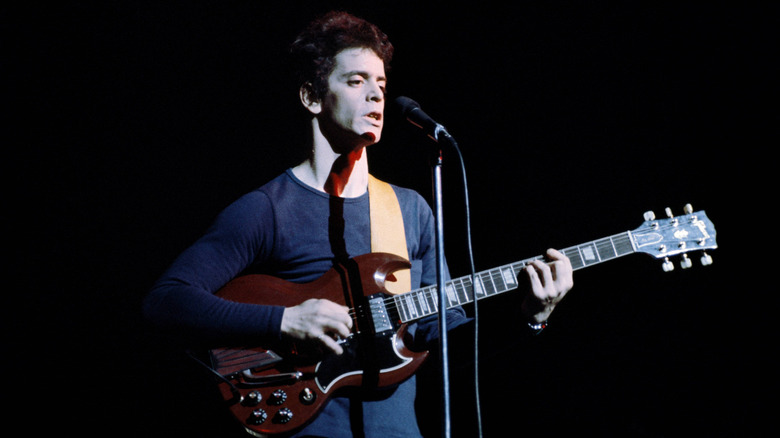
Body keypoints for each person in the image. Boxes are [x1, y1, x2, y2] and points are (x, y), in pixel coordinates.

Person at [143, 11, 574, 437]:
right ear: (312, 97)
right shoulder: (268, 208)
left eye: (381, 85)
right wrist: (284, 320)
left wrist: (530, 317)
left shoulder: (410, 210)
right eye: (356, 81)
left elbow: (443, 343)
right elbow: (166, 301)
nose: (376, 97)